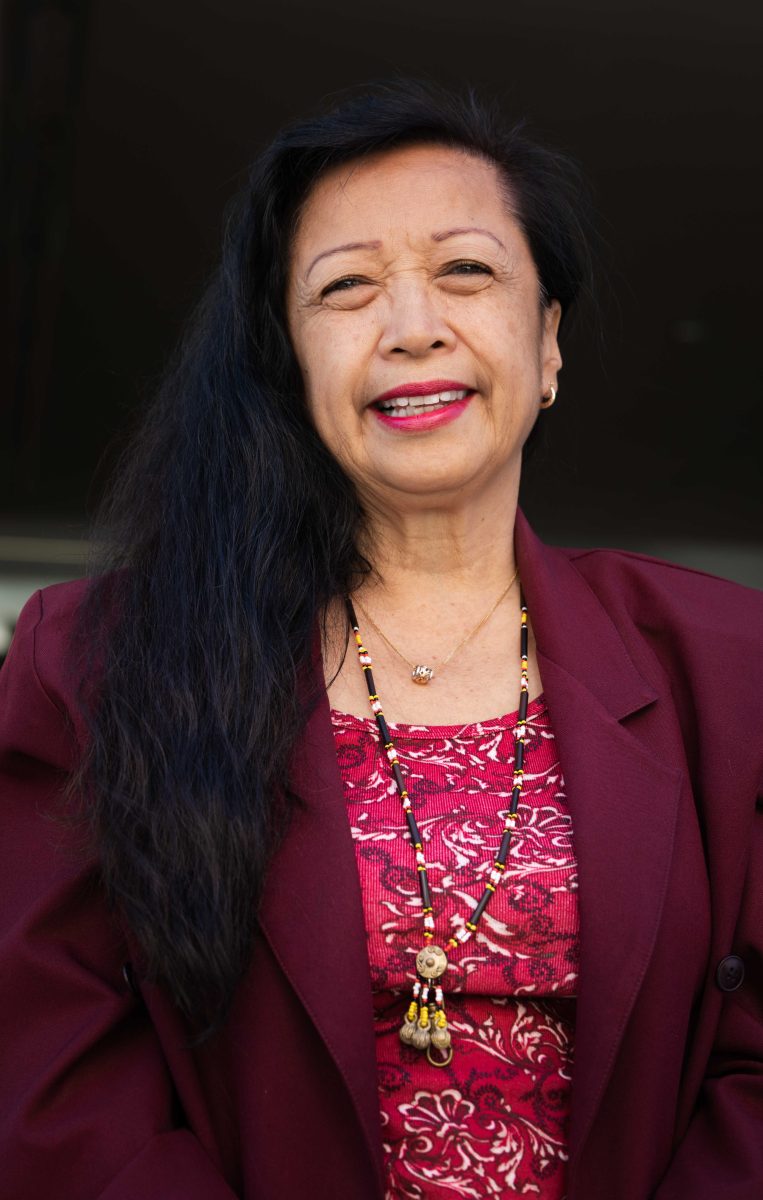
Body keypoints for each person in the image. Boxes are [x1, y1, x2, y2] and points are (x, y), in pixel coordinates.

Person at [0, 80, 761, 1200]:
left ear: (546, 344)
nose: (412, 329)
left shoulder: (731, 662)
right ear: (290, 367)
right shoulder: (91, 660)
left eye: (466, 271)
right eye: (346, 288)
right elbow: (46, 1067)